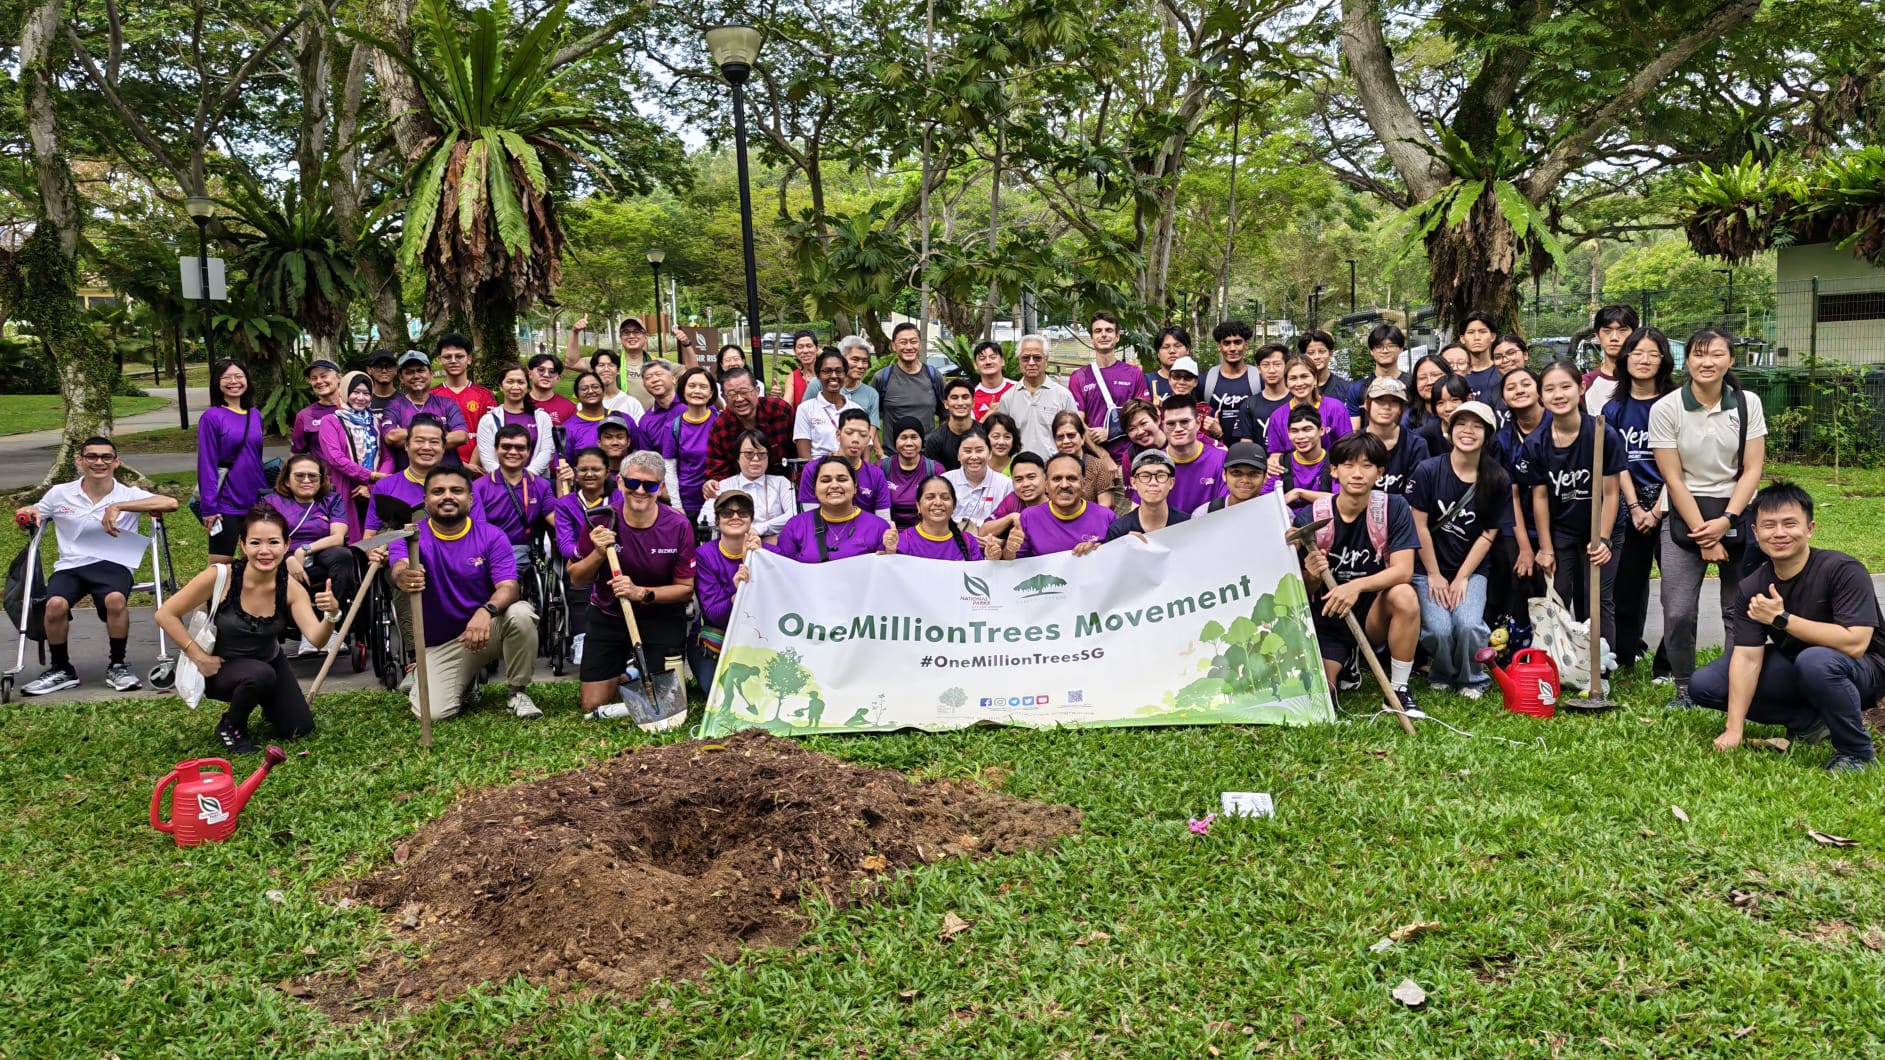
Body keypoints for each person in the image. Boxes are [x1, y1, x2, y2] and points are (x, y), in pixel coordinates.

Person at [1694, 483, 1883, 771]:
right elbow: (1746, 657)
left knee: (1816, 661)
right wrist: (1735, 730)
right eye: (1769, 525)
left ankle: (1856, 752)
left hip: (1866, 668)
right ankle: (1810, 722)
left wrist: (1782, 619)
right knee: (1705, 685)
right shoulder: (1752, 586)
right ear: (1756, 534)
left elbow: (1855, 643)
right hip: (1801, 665)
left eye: (1789, 523)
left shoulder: (1843, 570)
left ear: (1810, 528)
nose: (1779, 533)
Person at [154, 507, 339, 752]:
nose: (264, 551)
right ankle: (232, 725)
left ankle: (267, 702)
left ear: (286, 546)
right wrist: (199, 657)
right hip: (220, 667)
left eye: (273, 542)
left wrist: (331, 614)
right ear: (243, 545)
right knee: (259, 675)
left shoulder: (291, 588)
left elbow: (316, 639)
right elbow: (165, 614)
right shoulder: (221, 576)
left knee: (299, 729)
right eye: (255, 542)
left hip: (269, 663)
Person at [1651, 327, 1766, 708]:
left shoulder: (1748, 404)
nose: (1707, 362)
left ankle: (1734, 680)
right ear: (1688, 361)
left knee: (1739, 608)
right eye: (1699, 354)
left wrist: (1728, 520)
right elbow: (1672, 476)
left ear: (1731, 360)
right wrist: (1706, 534)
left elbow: (1752, 469)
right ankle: (1684, 686)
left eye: (1717, 354)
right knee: (1679, 609)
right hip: (1684, 514)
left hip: (1735, 511)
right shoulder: (1666, 408)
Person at [14, 437, 179, 696]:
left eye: (105, 457)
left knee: (115, 600)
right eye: (91, 456)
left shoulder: (128, 494)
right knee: (54, 604)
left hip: (114, 564)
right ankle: (61, 669)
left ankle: (117, 665)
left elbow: (170, 503)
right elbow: (37, 510)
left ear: (116, 462)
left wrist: (118, 506)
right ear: (79, 460)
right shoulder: (60, 493)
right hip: (71, 565)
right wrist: (28, 510)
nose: (99, 462)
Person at [387, 466, 540, 720]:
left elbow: (509, 587)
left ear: (470, 499)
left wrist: (486, 611)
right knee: (434, 714)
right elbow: (399, 567)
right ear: (426, 500)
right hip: (441, 644)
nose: (447, 496)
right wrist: (403, 575)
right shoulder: (409, 536)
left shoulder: (492, 536)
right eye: (438, 491)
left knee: (521, 613)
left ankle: (517, 693)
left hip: (485, 629)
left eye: (456, 491)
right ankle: (458, 681)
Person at [566, 450, 695, 728]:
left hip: (660, 616)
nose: (640, 490)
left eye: (649, 485)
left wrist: (641, 593)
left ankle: (634, 672)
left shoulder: (679, 525)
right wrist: (599, 553)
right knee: (593, 704)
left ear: (660, 488)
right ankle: (629, 674)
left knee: (668, 703)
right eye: (632, 482)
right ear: (620, 482)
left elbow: (685, 590)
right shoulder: (599, 519)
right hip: (609, 615)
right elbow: (575, 577)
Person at [1292, 433, 1421, 710]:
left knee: (1404, 595)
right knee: (1321, 696)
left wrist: (1357, 585)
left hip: (1371, 617)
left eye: (1367, 465)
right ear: (1334, 470)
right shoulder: (1311, 517)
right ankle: (1347, 660)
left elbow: (1403, 571)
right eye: (1348, 465)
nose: (1357, 474)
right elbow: (1302, 592)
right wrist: (1313, 575)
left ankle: (1398, 690)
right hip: (1327, 620)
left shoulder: (1393, 507)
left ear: (1380, 472)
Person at [1514, 360, 1627, 658]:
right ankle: (1563, 662)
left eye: (1566, 386)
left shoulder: (1603, 433)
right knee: (1558, 595)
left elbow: (1612, 492)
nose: (1558, 394)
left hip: (1602, 526)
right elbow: (1538, 498)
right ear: (1541, 396)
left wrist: (1603, 540)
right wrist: (1546, 547)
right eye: (1549, 389)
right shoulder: (1536, 443)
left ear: (1581, 388)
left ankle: (1602, 664)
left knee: (1597, 598)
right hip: (1562, 530)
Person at [1408, 401, 1506, 697]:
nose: (1468, 431)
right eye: (1461, 424)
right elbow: (1419, 525)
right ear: (1449, 431)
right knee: (1438, 628)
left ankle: (1472, 678)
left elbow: (1489, 534)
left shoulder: (1497, 478)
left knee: (1467, 625)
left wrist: (1462, 577)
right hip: (1428, 569)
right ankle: (1442, 671)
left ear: (1487, 436)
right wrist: (1435, 575)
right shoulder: (1427, 471)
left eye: (1477, 426)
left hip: (1472, 570)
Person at [1604, 327, 1676, 672]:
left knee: (1676, 594)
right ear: (1625, 358)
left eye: (1652, 353)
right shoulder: (1613, 408)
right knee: (1625, 590)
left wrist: (1657, 508)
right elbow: (1614, 464)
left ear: (1663, 359)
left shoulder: (1677, 402)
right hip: (1626, 506)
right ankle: (1626, 657)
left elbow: (1682, 462)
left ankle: (1667, 664)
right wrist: (1634, 507)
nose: (1644, 360)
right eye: (1637, 352)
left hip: (1671, 504)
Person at [265, 455, 357, 645]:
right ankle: (304, 628)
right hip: (281, 556)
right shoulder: (271, 503)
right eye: (299, 476)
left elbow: (338, 537)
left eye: (313, 477)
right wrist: (288, 558)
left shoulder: (332, 500)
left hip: (322, 553)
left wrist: (304, 550)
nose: (306, 481)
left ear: (321, 480)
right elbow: (265, 538)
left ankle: (331, 624)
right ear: (287, 480)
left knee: (343, 555)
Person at [1489, 366, 1549, 620]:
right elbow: (1509, 495)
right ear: (1504, 399)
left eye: (1526, 384)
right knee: (1522, 578)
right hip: (1518, 523)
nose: (1520, 390)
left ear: (1539, 390)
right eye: (1511, 387)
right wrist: (1525, 548)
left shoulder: (1559, 426)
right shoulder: (1502, 440)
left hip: (1560, 522)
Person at [198, 359, 267, 564]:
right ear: (217, 383)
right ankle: (215, 598)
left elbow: (256, 456)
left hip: (256, 499)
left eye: (239, 376)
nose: (233, 381)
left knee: (254, 562)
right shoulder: (211, 417)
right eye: (226, 377)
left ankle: (244, 598)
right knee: (220, 567)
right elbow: (207, 463)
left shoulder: (255, 415)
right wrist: (209, 507)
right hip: (225, 502)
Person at [365, 416, 485, 532]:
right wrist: (375, 552)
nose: (427, 447)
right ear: (406, 445)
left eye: (434, 442)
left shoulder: (463, 485)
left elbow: (479, 532)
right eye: (419, 441)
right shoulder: (386, 486)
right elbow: (370, 536)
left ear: (443, 448)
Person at [690, 490, 756, 691]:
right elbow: (713, 615)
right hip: (718, 635)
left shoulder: (768, 554)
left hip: (757, 635)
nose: (735, 516)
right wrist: (738, 593)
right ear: (717, 521)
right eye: (727, 513)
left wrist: (759, 559)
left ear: (751, 520)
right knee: (715, 691)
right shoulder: (704, 555)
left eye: (743, 513)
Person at [317, 371, 393, 541]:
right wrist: (370, 476)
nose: (361, 397)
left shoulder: (376, 422)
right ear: (344, 393)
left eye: (366, 393)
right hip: (344, 487)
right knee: (347, 536)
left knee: (377, 537)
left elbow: (388, 457)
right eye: (355, 392)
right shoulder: (330, 421)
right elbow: (335, 458)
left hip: (374, 489)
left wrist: (373, 485)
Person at [774, 456, 895, 563]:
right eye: (825, 480)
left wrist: (891, 554)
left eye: (842, 479)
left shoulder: (879, 528)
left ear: (855, 486)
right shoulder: (796, 526)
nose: (834, 485)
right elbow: (782, 570)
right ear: (814, 489)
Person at [1068, 311, 1150, 464]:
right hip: (1093, 461)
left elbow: (1144, 416)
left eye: (1109, 330)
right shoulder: (1079, 377)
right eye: (1098, 331)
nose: (1104, 335)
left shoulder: (1134, 373)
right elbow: (1077, 422)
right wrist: (1102, 455)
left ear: (1117, 336)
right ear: (1092, 338)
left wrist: (1112, 432)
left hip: (1131, 459)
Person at [998, 452, 1115, 558]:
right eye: (1057, 479)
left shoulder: (1106, 517)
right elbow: (1012, 564)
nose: (1064, 485)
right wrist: (1010, 549)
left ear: (1083, 484)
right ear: (1046, 486)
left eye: (1071, 478)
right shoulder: (1029, 517)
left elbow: (1118, 561)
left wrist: (1098, 553)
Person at [474, 423, 556, 568]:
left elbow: (557, 521)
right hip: (489, 556)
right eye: (506, 446)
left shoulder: (541, 486)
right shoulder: (478, 487)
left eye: (520, 448)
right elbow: (475, 530)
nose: (512, 452)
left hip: (526, 558)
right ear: (496, 450)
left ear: (528, 452)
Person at [703, 368, 795, 490]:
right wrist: (712, 484)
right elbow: (717, 471)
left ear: (757, 391)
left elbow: (798, 455)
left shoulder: (780, 411)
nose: (739, 399)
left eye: (744, 392)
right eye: (732, 394)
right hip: (742, 493)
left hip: (786, 487)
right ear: (724, 397)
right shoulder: (720, 427)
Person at [380, 351, 468, 471]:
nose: (416, 376)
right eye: (409, 372)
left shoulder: (447, 404)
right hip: (409, 480)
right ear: (401, 378)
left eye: (421, 370)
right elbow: (391, 437)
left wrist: (413, 438)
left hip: (447, 476)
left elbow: (460, 436)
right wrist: (441, 434)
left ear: (431, 374)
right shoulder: (394, 406)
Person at [797, 409, 890, 520]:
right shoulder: (813, 469)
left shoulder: (876, 474)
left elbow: (883, 520)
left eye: (863, 435)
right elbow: (810, 518)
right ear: (838, 434)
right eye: (849, 433)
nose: (855, 440)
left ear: (868, 439)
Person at [994, 334, 1077, 457]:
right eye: (1026, 358)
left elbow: (1074, 436)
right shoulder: (1008, 398)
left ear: (1046, 360)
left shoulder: (1063, 396)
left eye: (1037, 358)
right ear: (1019, 361)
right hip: (1019, 470)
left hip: (1054, 470)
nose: (1031, 363)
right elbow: (1001, 438)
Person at [703, 429, 794, 540]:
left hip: (772, 546)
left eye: (761, 454)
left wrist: (760, 529)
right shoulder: (724, 486)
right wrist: (739, 527)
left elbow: (794, 513)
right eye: (748, 454)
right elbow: (705, 519)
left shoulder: (781, 483)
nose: (755, 459)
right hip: (733, 544)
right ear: (737, 457)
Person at [655, 367, 719, 524]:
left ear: (711, 393)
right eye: (692, 386)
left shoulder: (720, 421)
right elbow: (669, 469)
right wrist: (677, 505)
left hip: (717, 499)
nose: (697, 391)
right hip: (687, 503)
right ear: (683, 391)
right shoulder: (673, 427)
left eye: (703, 387)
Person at [476, 363, 556, 476]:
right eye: (510, 382)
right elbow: (487, 459)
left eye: (521, 382)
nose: (515, 387)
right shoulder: (488, 420)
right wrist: (507, 480)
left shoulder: (542, 418)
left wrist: (527, 477)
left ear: (528, 387)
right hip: (500, 486)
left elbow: (547, 452)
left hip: (535, 483)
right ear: (500, 386)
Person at [884, 476, 985, 560]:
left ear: (954, 505)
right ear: (918, 506)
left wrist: (992, 560)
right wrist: (890, 552)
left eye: (945, 497)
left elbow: (979, 577)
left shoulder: (968, 541)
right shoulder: (903, 541)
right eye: (930, 497)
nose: (938, 502)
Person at [1357, 378, 1429, 495]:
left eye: (1394, 401)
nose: (1386, 406)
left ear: (1401, 408)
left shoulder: (1416, 445)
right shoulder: (1353, 444)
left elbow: (1418, 494)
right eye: (1379, 400)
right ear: (1366, 404)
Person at [431, 334, 493, 468]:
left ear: (469, 359)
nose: (453, 361)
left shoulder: (485, 395)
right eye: (447, 357)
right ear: (440, 360)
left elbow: (490, 433)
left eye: (459, 356)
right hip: (442, 468)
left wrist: (472, 465)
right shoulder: (431, 396)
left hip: (480, 468)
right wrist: (462, 465)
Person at [1102, 450, 1190, 543]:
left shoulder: (1186, 524)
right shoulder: (1119, 531)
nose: (1153, 482)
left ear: (1171, 483)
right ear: (1133, 483)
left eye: (1161, 476)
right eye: (1145, 476)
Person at [1158, 394, 1227, 512]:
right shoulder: (1153, 463)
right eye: (1171, 424)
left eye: (1184, 422)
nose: (1178, 428)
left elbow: (1229, 507)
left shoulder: (1221, 459)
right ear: (1163, 426)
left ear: (1198, 423)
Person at [873, 323, 946, 432]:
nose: (909, 347)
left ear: (920, 345)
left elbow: (945, 415)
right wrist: (878, 449)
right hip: (893, 449)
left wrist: (940, 445)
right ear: (893, 345)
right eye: (903, 342)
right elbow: (870, 419)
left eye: (913, 342)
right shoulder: (882, 378)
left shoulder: (934, 377)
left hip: (927, 448)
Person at [881, 417, 947, 530]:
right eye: (903, 438)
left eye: (914, 437)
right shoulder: (881, 468)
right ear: (895, 441)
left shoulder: (935, 470)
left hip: (925, 531)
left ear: (921, 440)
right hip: (889, 531)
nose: (909, 443)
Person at [979, 451, 1048, 559]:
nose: (1025, 484)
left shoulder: (1056, 501)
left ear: (1045, 478)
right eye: (1018, 479)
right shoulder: (1013, 500)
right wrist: (1011, 517)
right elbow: (983, 532)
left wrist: (1002, 543)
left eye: (1031, 477)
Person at [1051, 410, 1121, 513]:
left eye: (1071, 435)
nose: (1066, 441)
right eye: (1060, 437)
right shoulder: (1049, 468)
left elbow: (1106, 507)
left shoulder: (1098, 466)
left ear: (1083, 438)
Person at [1346, 325, 1415, 427]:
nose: (1385, 350)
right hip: (1369, 441)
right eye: (1379, 346)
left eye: (1391, 346)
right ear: (1371, 351)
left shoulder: (1414, 384)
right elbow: (1354, 430)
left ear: (1401, 349)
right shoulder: (1358, 388)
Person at [942, 428, 1012, 529]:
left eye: (979, 451)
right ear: (958, 455)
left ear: (990, 453)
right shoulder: (944, 481)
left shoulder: (1006, 485)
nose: (974, 457)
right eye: (967, 451)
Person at [1201, 320, 1257, 442]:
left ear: (1246, 345)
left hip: (1251, 454)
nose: (1232, 348)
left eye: (1237, 342)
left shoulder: (1259, 380)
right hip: (1215, 452)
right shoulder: (1205, 381)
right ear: (1219, 346)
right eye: (1226, 343)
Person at [1581, 305, 1638, 415]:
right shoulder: (1585, 384)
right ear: (1597, 336)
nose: (1614, 338)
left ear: (1634, 335)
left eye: (1622, 330)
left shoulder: (1646, 381)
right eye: (1607, 331)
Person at [1276, 404, 1333, 513]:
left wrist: (1299, 493)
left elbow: (1340, 499)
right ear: (1288, 434)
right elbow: (1268, 501)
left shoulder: (1335, 463)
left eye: (1307, 429)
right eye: (1294, 431)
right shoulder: (1280, 464)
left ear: (1321, 430)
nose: (1300, 436)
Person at [555, 372, 612, 475]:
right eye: (584, 388)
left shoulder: (622, 418)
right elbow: (562, 469)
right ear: (577, 395)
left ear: (603, 391)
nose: (590, 391)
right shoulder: (568, 428)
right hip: (585, 486)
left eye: (595, 387)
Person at [1194, 442, 1268, 517]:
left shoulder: (1276, 514)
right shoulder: (1204, 515)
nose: (1245, 480)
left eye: (1253, 473)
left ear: (1265, 477)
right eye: (1236, 472)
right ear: (1224, 475)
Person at [925, 378, 980, 470]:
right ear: (946, 404)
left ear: (973, 403)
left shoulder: (985, 434)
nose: (960, 403)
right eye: (954, 398)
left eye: (965, 397)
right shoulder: (934, 440)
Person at [291, 358, 342, 455]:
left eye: (323, 376)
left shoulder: (354, 408)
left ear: (339, 377)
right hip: (323, 470)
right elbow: (297, 454)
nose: (318, 381)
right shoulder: (304, 415)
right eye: (313, 378)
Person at [1414, 374, 1471, 457]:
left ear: (1469, 399)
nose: (1448, 408)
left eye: (1454, 400)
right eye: (1440, 403)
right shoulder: (1423, 436)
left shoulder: (1482, 432)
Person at [1166, 358, 1222, 442]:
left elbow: (1217, 447)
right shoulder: (1160, 411)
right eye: (1176, 376)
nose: (1181, 382)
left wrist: (1218, 433)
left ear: (1195, 382)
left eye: (1188, 377)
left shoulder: (1206, 411)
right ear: (1170, 380)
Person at [1244, 342, 1292, 438]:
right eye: (1265, 365)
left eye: (1277, 364)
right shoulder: (1249, 405)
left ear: (1286, 366)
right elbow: (1247, 446)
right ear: (1259, 369)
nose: (1271, 370)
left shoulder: (1298, 400)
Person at [636, 360, 683, 448]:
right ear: (644, 386)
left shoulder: (692, 405)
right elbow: (648, 457)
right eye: (648, 377)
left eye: (659, 374)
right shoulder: (645, 421)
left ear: (673, 379)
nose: (654, 380)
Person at [838, 336, 882, 431]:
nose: (860, 366)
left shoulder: (871, 394)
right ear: (841, 359)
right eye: (855, 359)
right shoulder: (821, 386)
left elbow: (871, 432)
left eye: (865, 361)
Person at [1298, 329, 1350, 408]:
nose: (1317, 357)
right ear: (1303, 356)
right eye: (1311, 353)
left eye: (1322, 351)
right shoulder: (1297, 387)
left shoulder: (1345, 388)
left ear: (1330, 353)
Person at [1458, 312, 1503, 402]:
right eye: (1471, 332)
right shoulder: (1457, 374)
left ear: (1492, 336)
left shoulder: (1502, 371)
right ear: (1462, 339)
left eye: (1482, 332)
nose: (1477, 337)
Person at [526, 352, 579, 424]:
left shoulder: (569, 408)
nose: (546, 375)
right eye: (541, 370)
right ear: (530, 374)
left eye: (552, 371)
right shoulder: (518, 402)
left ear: (558, 378)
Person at [969, 341, 1016, 420]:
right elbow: (972, 431)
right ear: (975, 365)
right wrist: (990, 413)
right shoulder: (971, 397)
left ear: (1002, 361)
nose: (988, 362)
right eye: (982, 359)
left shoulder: (1017, 389)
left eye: (993, 357)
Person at [778, 329, 821, 408]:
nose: (805, 351)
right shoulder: (793, 377)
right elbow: (787, 407)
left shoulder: (828, 373)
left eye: (809, 346)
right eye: (800, 347)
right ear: (794, 351)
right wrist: (777, 398)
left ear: (817, 348)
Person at [1147, 326, 1191, 400]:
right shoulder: (1146, 381)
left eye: (1177, 346)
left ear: (1188, 350)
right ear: (1157, 353)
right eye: (1166, 347)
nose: (1172, 351)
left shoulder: (1199, 382)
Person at [983, 412, 1021, 476]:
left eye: (1007, 437)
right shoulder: (977, 465)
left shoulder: (1020, 466)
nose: (1001, 442)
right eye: (996, 436)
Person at [365, 349, 400, 414]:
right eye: (378, 367)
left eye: (389, 367)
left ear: (396, 370)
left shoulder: (404, 401)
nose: (384, 371)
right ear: (369, 370)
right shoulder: (362, 401)